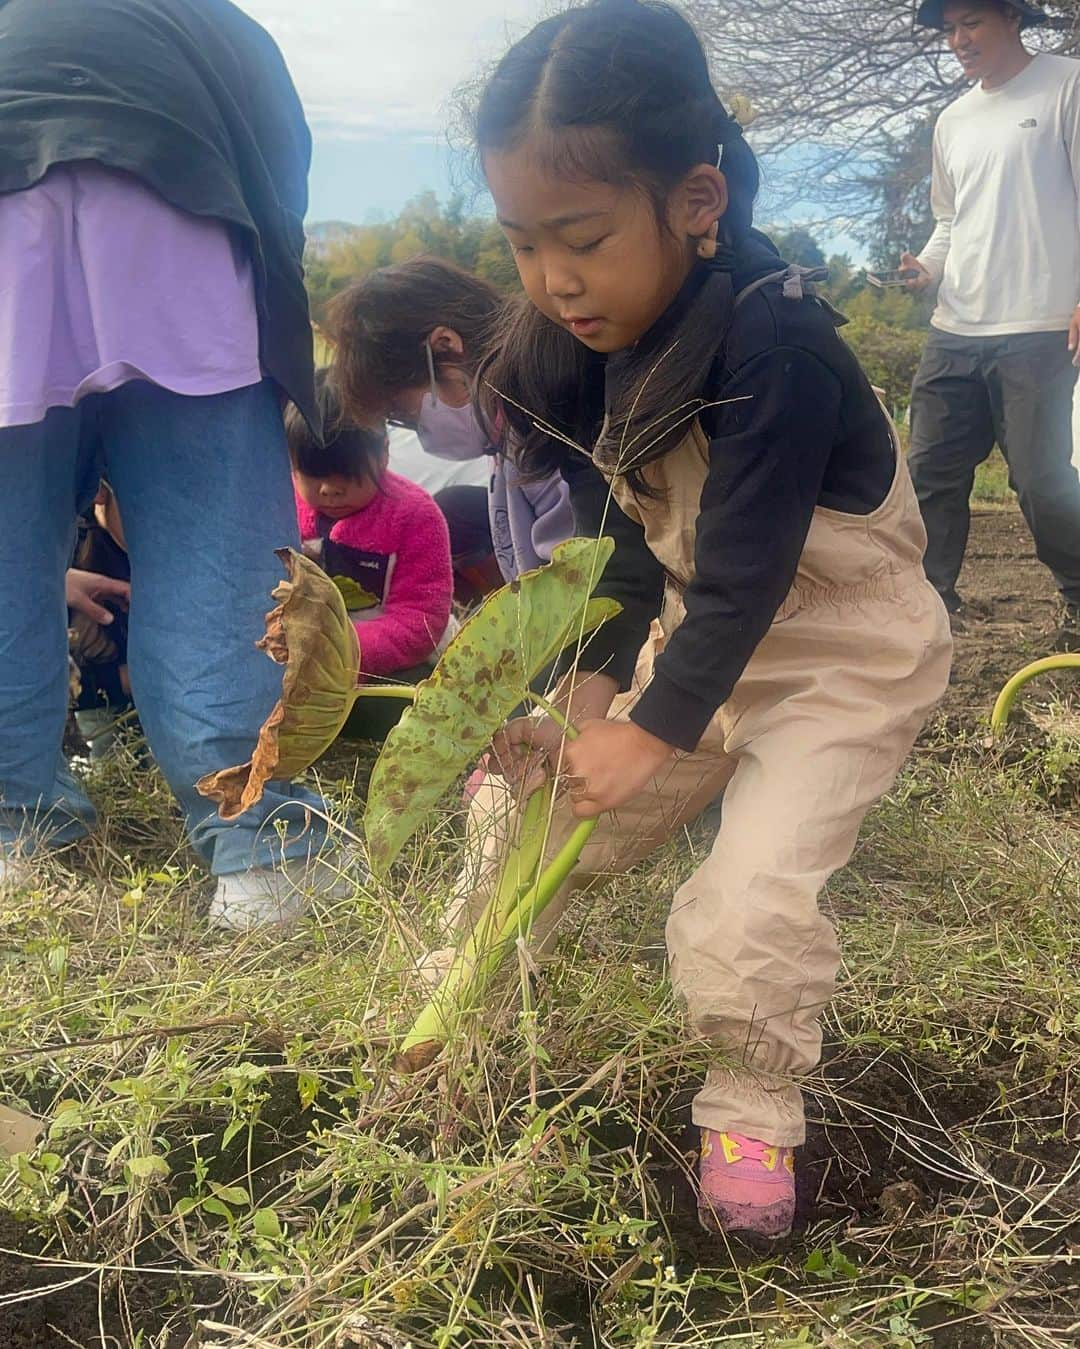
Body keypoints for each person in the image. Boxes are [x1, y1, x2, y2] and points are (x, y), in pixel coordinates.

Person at [448, 0, 953, 1241]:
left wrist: (652, 730)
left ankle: (751, 1110)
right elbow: (629, 557)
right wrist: (588, 703)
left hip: (844, 655)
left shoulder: (774, 341)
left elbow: (750, 574)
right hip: (710, 641)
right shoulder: (619, 337)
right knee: (534, 805)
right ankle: (452, 1009)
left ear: (693, 198)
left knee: (744, 897)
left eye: (581, 236)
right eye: (522, 244)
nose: (553, 279)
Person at [0, 0, 346, 926]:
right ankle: (263, 849)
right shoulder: (210, 22)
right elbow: (280, 183)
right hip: (174, 206)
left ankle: (13, 837)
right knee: (213, 538)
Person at [903, 0, 1080, 645]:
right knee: (928, 477)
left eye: (970, 23)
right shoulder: (954, 119)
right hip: (956, 327)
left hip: (1042, 326)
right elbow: (951, 221)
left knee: (1042, 479)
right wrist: (924, 268)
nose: (958, 40)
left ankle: (1079, 602)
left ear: (1011, 19)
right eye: (949, 29)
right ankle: (929, 611)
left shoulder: (1068, 84)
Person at [325, 257, 575, 584]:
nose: (421, 433)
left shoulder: (543, 421)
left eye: (407, 413)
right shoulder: (501, 433)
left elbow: (579, 571)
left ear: (446, 346)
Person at [286, 373, 455, 694]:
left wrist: (343, 651)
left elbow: (421, 620)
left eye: (347, 476)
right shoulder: (280, 508)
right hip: (310, 655)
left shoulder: (416, 517)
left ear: (383, 455)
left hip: (400, 662)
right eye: (312, 475)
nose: (329, 490)